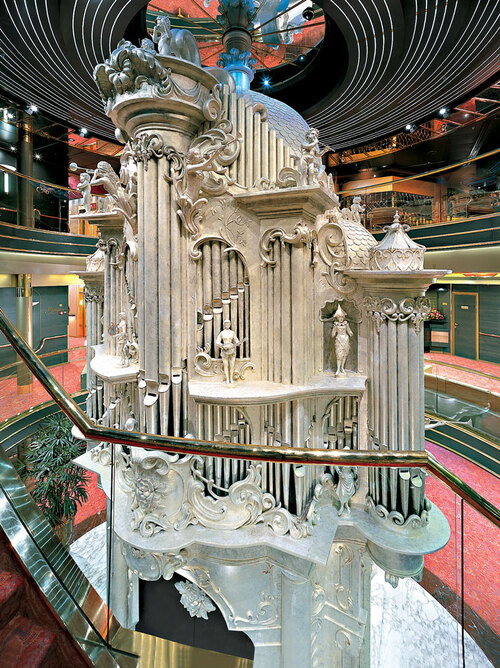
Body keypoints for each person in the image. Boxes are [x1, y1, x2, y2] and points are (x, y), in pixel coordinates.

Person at [215, 320, 240, 384]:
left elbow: (236, 340)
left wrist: (238, 343)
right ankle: (227, 379)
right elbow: (217, 342)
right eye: (226, 324)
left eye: (228, 324)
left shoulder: (232, 333)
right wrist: (222, 346)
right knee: (226, 365)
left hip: (232, 351)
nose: (227, 325)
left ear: (230, 325)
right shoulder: (222, 333)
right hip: (225, 351)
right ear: (224, 325)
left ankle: (231, 378)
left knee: (232, 365)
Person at [331, 304, 352, 376]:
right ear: (337, 318)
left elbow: (349, 331)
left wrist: (350, 333)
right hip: (339, 339)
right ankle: (338, 369)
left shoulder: (346, 324)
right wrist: (333, 333)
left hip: (345, 339)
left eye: (342, 317)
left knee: (345, 354)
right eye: (339, 317)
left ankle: (342, 368)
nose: (341, 319)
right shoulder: (336, 324)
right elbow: (333, 332)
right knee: (339, 354)